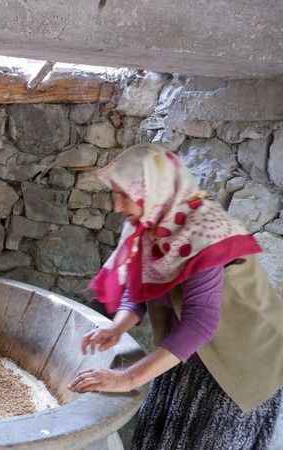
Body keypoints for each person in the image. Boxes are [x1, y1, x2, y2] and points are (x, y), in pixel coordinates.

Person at [68, 143, 283, 449]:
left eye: (124, 195)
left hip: (242, 356)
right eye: (114, 193)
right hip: (191, 351)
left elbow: (199, 323)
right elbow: (138, 288)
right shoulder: (149, 222)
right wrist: (117, 327)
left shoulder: (204, 232)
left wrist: (127, 378)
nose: (116, 206)